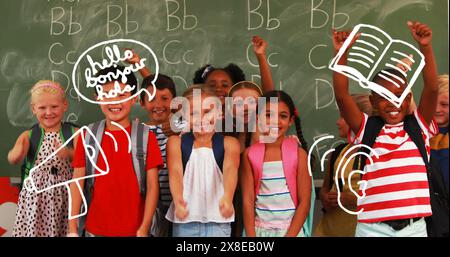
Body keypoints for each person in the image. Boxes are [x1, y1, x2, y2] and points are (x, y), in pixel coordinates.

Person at [332, 21, 439, 237]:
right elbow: (342, 96)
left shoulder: (419, 127)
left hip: (414, 228)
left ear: (408, 98)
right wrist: (342, 52)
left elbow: (432, 87)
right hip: (372, 229)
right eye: (383, 97)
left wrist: (425, 47)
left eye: (399, 95)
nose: (392, 103)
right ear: (372, 101)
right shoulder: (366, 129)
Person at [68, 66, 164, 237]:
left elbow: (152, 187)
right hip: (95, 229)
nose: (114, 102)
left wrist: (144, 227)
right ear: (97, 98)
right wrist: (72, 228)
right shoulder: (87, 135)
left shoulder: (145, 136)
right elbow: (77, 183)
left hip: (135, 231)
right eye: (107, 94)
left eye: (121, 95)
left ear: (134, 98)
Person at [165, 85, 241, 237]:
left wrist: (227, 197)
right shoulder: (176, 142)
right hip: (185, 221)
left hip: (219, 221)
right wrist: (178, 199)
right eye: (193, 113)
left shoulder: (230, 143)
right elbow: (175, 171)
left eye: (207, 112)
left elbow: (230, 170)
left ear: (219, 113)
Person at [8, 80, 77, 236]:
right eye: (42, 108)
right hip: (35, 199)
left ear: (64, 106)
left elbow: (86, 159)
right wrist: (17, 153)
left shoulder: (74, 133)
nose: (48, 112)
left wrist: (68, 153)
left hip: (65, 196)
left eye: (54, 107)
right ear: (33, 109)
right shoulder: (29, 135)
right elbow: (13, 158)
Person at [241, 90, 314, 237]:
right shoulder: (249, 155)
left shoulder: (299, 154)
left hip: (292, 232)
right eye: (268, 115)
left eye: (283, 116)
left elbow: (304, 201)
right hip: (259, 232)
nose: (275, 121)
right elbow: (247, 200)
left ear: (291, 120)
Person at [314, 94, 372, 237]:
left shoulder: (375, 154)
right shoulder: (337, 152)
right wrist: (326, 197)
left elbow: (385, 198)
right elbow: (325, 189)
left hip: (359, 231)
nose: (338, 122)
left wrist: (352, 199)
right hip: (328, 230)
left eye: (343, 117)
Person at [140, 74, 178, 236]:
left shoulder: (182, 126)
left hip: (178, 204)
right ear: (142, 103)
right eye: (151, 99)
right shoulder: (138, 132)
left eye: (165, 98)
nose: (158, 104)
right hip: (149, 206)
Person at [430, 74, 449, 190]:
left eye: (444, 104)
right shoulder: (420, 129)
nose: (436, 109)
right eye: (432, 103)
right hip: (430, 203)